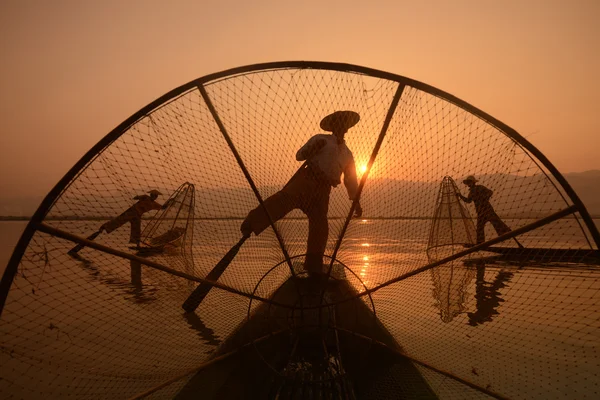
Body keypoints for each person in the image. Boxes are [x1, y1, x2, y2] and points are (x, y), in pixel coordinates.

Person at [240, 110, 363, 276]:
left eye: (344, 124)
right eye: (339, 123)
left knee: (320, 226)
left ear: (347, 128)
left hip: (323, 191)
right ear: (333, 126)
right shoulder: (321, 139)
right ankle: (251, 223)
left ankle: (313, 264)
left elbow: (351, 179)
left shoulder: (347, 153)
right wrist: (311, 149)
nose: (342, 127)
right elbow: (300, 155)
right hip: (306, 180)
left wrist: (355, 200)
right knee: (283, 201)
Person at [456, 176, 514, 245]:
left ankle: (505, 235)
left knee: (497, 223)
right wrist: (460, 195)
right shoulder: (471, 192)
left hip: (488, 210)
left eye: (470, 182)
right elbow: (468, 201)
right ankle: (480, 243)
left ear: (473, 182)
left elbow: (490, 192)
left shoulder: (480, 187)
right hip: (480, 212)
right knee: (480, 228)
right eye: (468, 183)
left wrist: (485, 197)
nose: (468, 184)